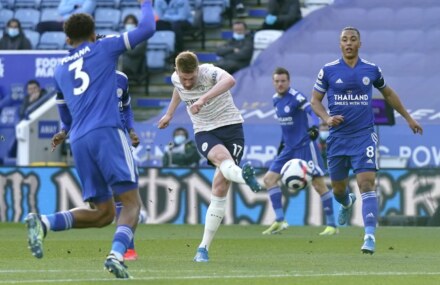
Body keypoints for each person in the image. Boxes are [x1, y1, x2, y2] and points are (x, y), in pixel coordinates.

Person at [24, 0, 155, 279]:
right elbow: (147, 28)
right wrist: (146, 3)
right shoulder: (104, 48)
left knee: (103, 213)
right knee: (132, 203)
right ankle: (116, 256)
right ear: (94, 33)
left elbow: (65, 115)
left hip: (79, 140)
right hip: (107, 131)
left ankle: (44, 222)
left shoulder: (60, 69)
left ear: (68, 39)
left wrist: (63, 131)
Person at [310, 26, 423, 254]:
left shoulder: (371, 69)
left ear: (360, 44)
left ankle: (369, 235)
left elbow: (388, 93)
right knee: (339, 189)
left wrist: (408, 118)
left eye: (353, 39)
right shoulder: (328, 70)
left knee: (367, 183)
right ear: (340, 44)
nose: (349, 43)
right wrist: (327, 118)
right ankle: (346, 202)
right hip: (338, 137)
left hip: (364, 135)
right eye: (344, 40)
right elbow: (315, 101)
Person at [157, 51, 263, 262]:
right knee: (221, 159)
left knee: (220, 186)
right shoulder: (177, 79)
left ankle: (203, 247)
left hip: (231, 127)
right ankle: (245, 177)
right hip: (205, 130)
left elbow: (231, 80)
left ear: (197, 70)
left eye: (191, 78)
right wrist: (169, 113)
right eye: (183, 78)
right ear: (177, 71)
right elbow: (179, 90)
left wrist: (203, 99)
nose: (187, 83)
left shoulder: (209, 72)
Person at [51, 69, 143, 261]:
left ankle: (127, 249)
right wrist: (64, 130)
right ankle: (123, 249)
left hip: (116, 139)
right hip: (93, 139)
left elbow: (125, 107)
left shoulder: (121, 79)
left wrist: (131, 129)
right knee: (108, 204)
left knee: (123, 196)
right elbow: (71, 110)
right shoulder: (85, 79)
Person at [261, 67, 337, 236]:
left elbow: (312, 111)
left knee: (319, 184)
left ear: (289, 82)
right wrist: (282, 144)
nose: (280, 84)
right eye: (277, 81)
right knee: (269, 179)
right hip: (288, 148)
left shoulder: (296, 97)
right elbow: (286, 126)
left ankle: (332, 225)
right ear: (273, 82)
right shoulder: (275, 100)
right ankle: (280, 220)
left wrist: (315, 127)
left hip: (305, 146)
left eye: (283, 81)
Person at [119, 15, 147, 84]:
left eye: (132, 23)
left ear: (136, 25)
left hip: (133, 65)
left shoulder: (141, 38)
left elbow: (135, 51)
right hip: (121, 64)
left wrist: (121, 49)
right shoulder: (122, 36)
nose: (130, 25)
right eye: (128, 23)